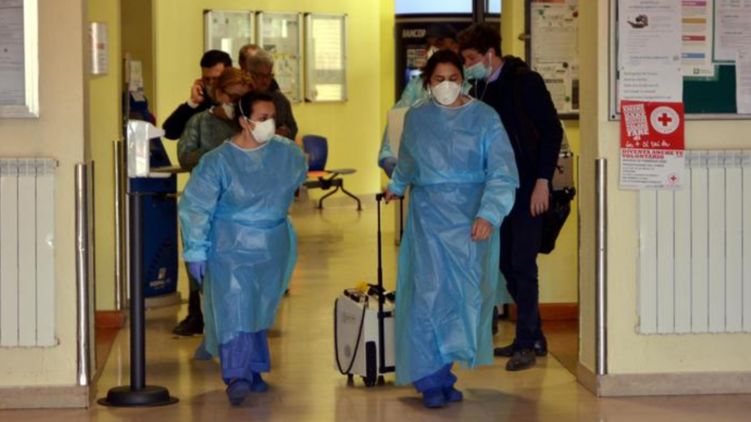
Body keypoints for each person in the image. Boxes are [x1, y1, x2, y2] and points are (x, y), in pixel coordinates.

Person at [384, 50, 519, 409]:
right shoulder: (417, 116)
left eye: (453, 78)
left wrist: (489, 214)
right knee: (427, 296)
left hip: (471, 220)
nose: (446, 85)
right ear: (428, 83)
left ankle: (444, 372)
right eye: (438, 79)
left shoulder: (485, 118)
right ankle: (430, 378)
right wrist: (397, 186)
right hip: (428, 219)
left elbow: (502, 172)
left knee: (463, 298)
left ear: (464, 78)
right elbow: (408, 159)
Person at [179, 91, 307, 405]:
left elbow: (296, 178)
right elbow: (196, 206)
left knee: (259, 308)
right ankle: (236, 374)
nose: (270, 124)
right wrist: (196, 249)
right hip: (230, 247)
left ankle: (254, 368)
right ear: (244, 121)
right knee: (234, 308)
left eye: (272, 117)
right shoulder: (218, 161)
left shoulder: (286, 153)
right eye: (263, 118)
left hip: (273, 245)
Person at [458, 23, 563, 371]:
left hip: (529, 186)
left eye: (471, 58)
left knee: (523, 263)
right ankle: (534, 335)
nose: (468, 65)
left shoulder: (525, 82)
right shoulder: (479, 89)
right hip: (497, 189)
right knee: (504, 263)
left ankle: (526, 343)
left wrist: (543, 181)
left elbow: (552, 130)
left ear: (490, 54)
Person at [172, 67, 253, 338]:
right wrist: (218, 154)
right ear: (218, 93)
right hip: (206, 206)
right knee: (200, 263)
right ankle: (197, 314)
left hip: (239, 207)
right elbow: (185, 156)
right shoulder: (199, 122)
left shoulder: (246, 124)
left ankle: (238, 320)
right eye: (232, 97)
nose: (236, 104)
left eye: (242, 98)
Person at [378, 24, 464, 177]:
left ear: (455, 47)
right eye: (429, 45)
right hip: (423, 168)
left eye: (439, 43)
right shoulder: (417, 84)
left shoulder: (468, 83)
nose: (433, 50)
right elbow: (399, 117)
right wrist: (388, 154)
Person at [162, 50, 233, 140]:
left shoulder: (239, 100)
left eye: (216, 79)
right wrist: (192, 102)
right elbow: (169, 132)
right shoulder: (202, 102)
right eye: (207, 79)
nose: (211, 83)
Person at [239, 44, 298, 140]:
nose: (265, 80)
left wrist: (286, 132)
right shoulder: (240, 98)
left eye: (269, 75)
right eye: (260, 75)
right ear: (250, 74)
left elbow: (292, 127)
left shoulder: (280, 100)